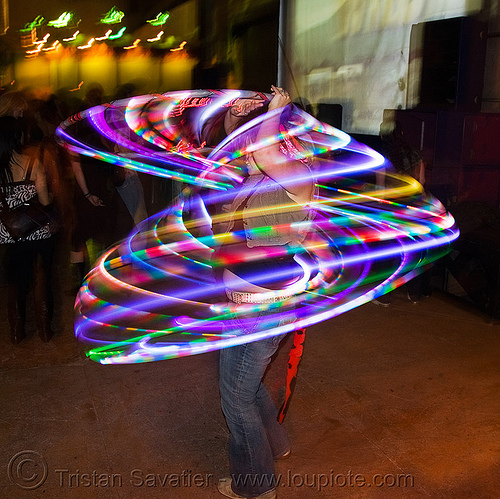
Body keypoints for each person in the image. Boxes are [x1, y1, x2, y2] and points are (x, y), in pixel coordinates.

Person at [213, 86, 315, 499]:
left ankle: (256, 487)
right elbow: (227, 145)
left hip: (264, 310)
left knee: (234, 400)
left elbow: (268, 151)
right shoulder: (251, 179)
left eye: (256, 136)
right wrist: (237, 116)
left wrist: (274, 112)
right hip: (238, 307)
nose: (246, 145)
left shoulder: (300, 178)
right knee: (246, 387)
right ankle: (274, 445)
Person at [0, 116, 55, 344]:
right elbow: (44, 200)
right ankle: (44, 329)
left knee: (15, 281)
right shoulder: (32, 163)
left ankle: (16, 331)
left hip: (7, 233)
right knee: (41, 277)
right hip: (36, 231)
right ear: (17, 137)